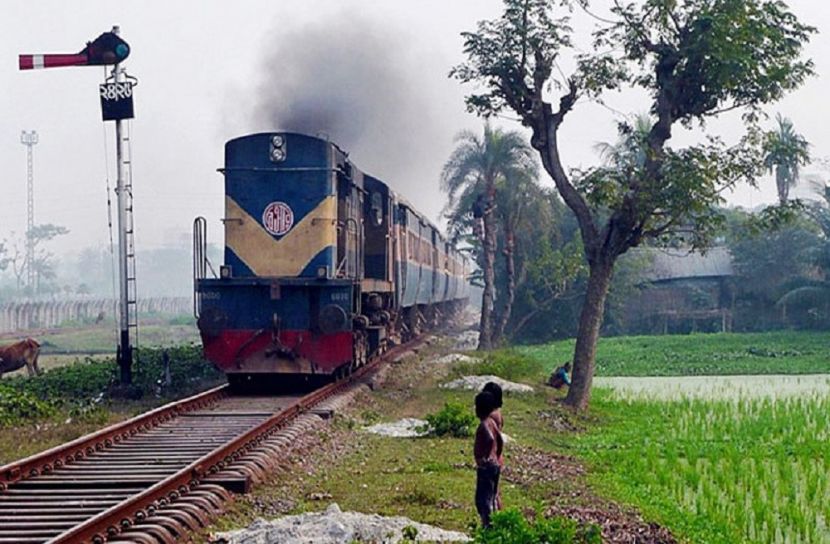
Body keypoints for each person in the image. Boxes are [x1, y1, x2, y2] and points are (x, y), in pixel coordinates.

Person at [473, 391, 503, 528]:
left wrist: (484, 457)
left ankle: (488, 525)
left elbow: (490, 438)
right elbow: (500, 439)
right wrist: (497, 454)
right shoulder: (492, 422)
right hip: (495, 465)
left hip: (487, 467)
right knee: (493, 495)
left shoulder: (484, 424)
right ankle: (494, 522)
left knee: (483, 499)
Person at [482, 382, 504, 510]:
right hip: (496, 456)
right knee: (494, 491)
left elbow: (493, 438)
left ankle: (496, 517)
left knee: (491, 493)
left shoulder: (492, 416)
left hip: (493, 457)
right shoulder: (497, 413)